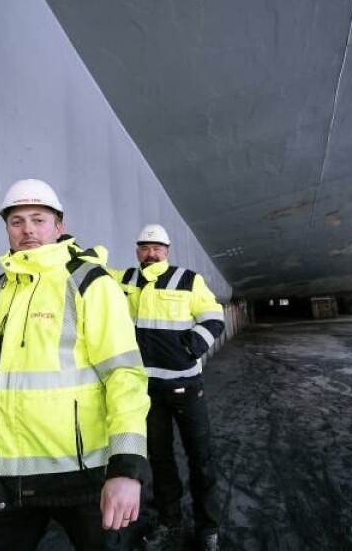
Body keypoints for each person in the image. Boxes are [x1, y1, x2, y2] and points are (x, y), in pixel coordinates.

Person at [0, 179, 150, 551]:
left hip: (85, 475)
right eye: (16, 221)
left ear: (59, 226)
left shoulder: (89, 285)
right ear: (7, 229)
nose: (28, 230)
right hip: (11, 475)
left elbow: (124, 375)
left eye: (38, 219)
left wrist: (127, 469)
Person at [110, 224, 225, 551]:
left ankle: (208, 529)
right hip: (147, 390)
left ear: (167, 251)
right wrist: (70, 249)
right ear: (137, 250)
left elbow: (214, 318)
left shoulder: (188, 280)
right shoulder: (126, 279)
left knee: (200, 458)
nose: (151, 253)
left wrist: (190, 348)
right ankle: (169, 521)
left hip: (186, 388)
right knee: (159, 460)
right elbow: (95, 274)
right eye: (145, 248)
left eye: (157, 248)